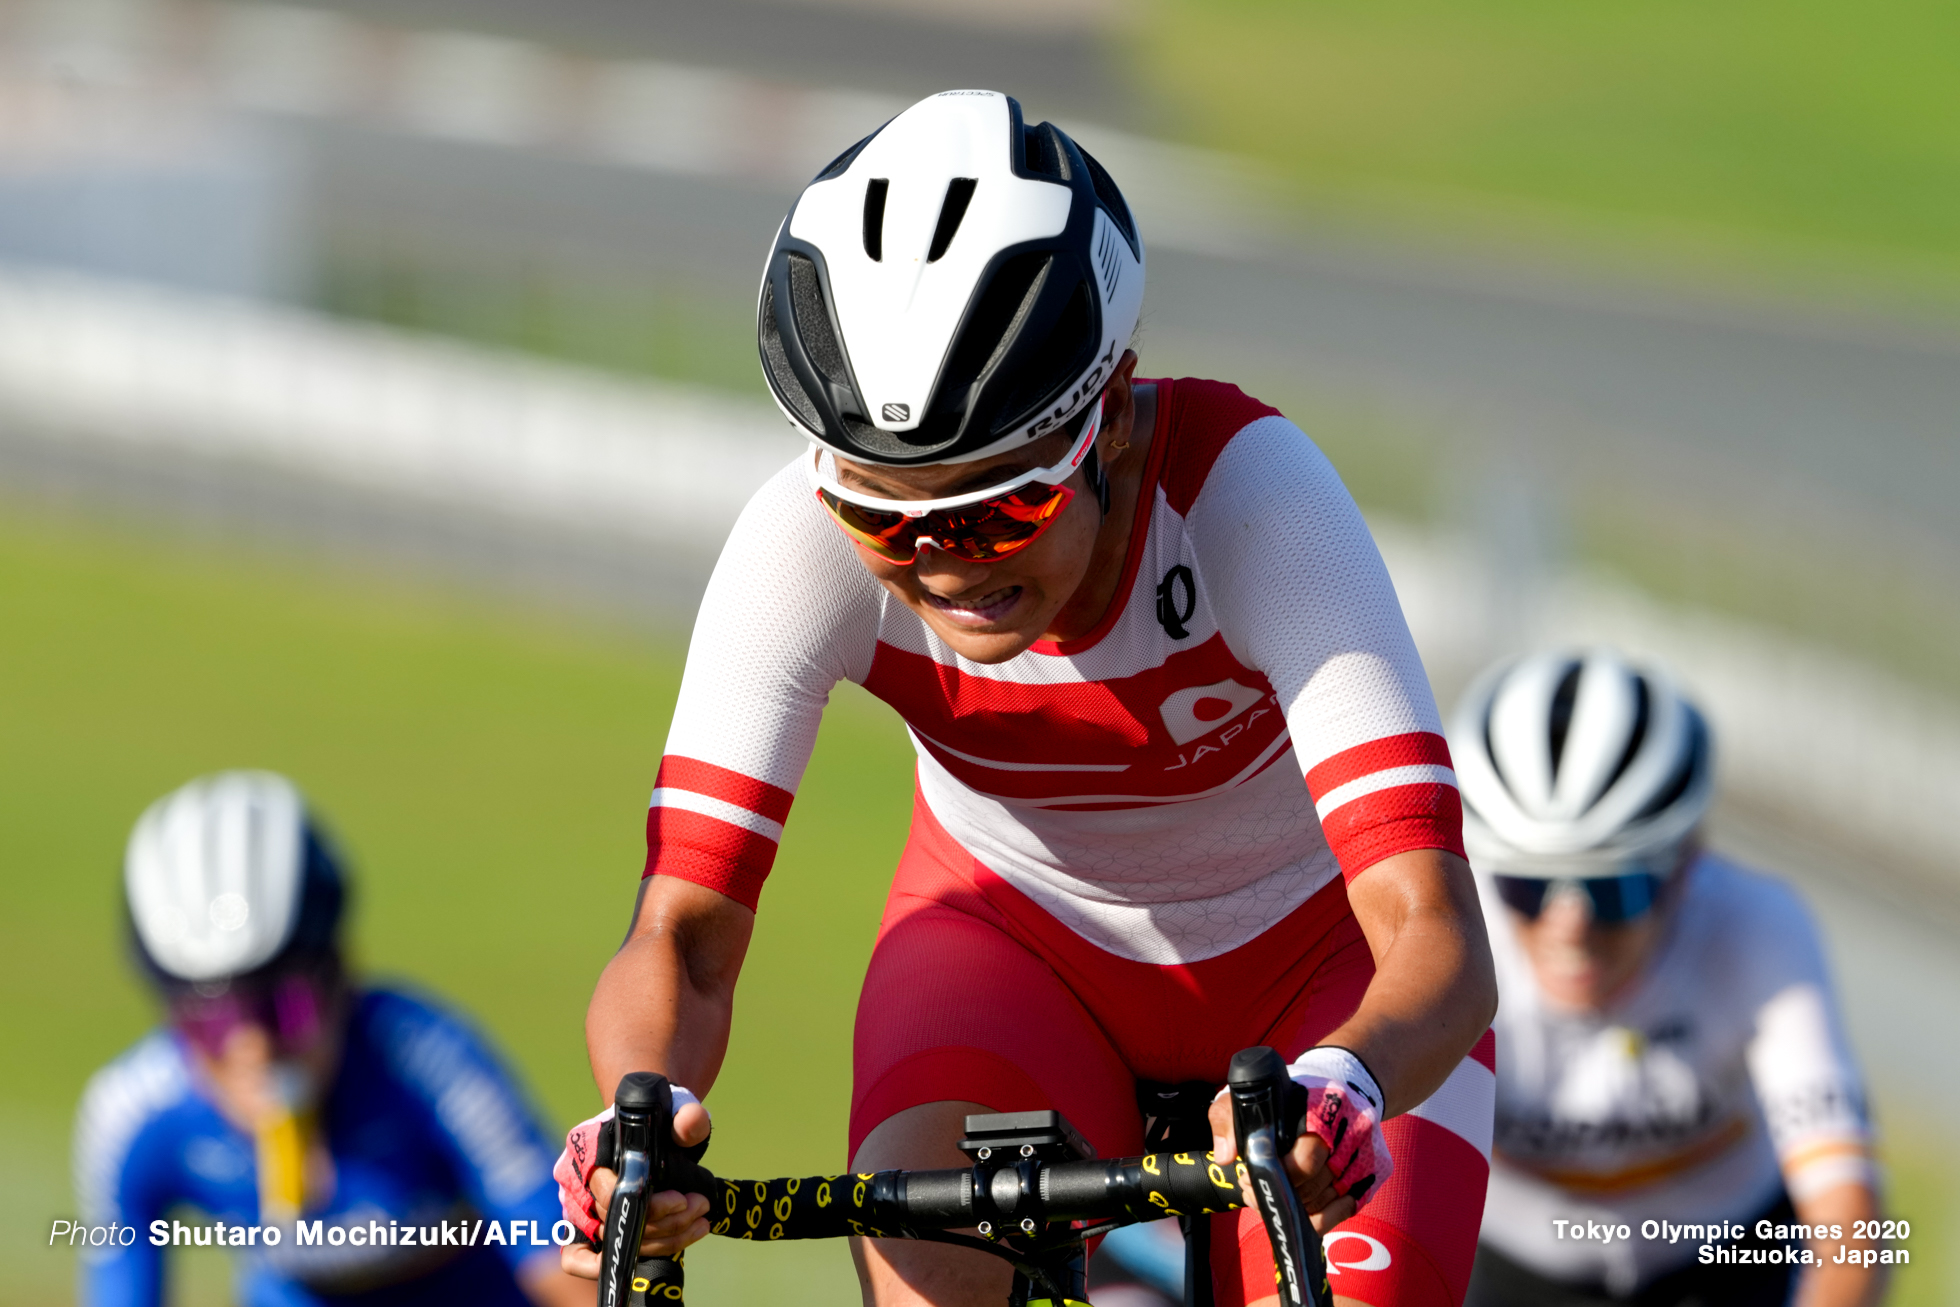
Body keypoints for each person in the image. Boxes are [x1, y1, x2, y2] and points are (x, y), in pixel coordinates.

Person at [556, 90, 1499, 1307]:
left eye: (1002, 506)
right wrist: (636, 1112)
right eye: (883, 517)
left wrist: (1352, 1078)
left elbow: (1434, 930)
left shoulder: (1249, 497)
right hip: (1011, 950)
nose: (945, 562)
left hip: (1324, 977)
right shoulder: (795, 541)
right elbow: (681, 935)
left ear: (1105, 416)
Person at [1451, 650, 1887, 1307]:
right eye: (1527, 885)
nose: (1568, 925)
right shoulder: (1451, 933)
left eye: (1614, 887)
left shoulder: (1756, 926)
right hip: (1512, 1272)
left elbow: (1851, 1230)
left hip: (1729, 1262)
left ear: (1687, 861)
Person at [74, 771, 590, 1307]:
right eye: (210, 1022)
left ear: (341, 972)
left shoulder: (428, 1059)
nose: (252, 1048)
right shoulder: (131, 1113)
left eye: (282, 1007)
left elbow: (567, 1275)